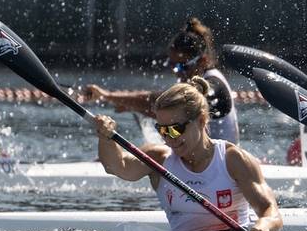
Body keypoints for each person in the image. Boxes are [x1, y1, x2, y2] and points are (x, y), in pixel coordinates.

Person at [90, 77, 281, 231]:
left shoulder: (233, 159)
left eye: (176, 129)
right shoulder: (159, 159)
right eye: (162, 130)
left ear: (201, 120)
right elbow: (118, 166)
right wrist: (106, 138)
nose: (169, 138)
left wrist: (264, 226)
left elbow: (270, 211)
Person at [85, 18, 239, 144]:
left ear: (202, 61)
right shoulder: (194, 83)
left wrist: (106, 95)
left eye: (182, 66)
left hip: (223, 164)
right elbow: (167, 109)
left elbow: (154, 101)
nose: (176, 71)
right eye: (172, 65)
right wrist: (133, 105)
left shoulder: (213, 83)